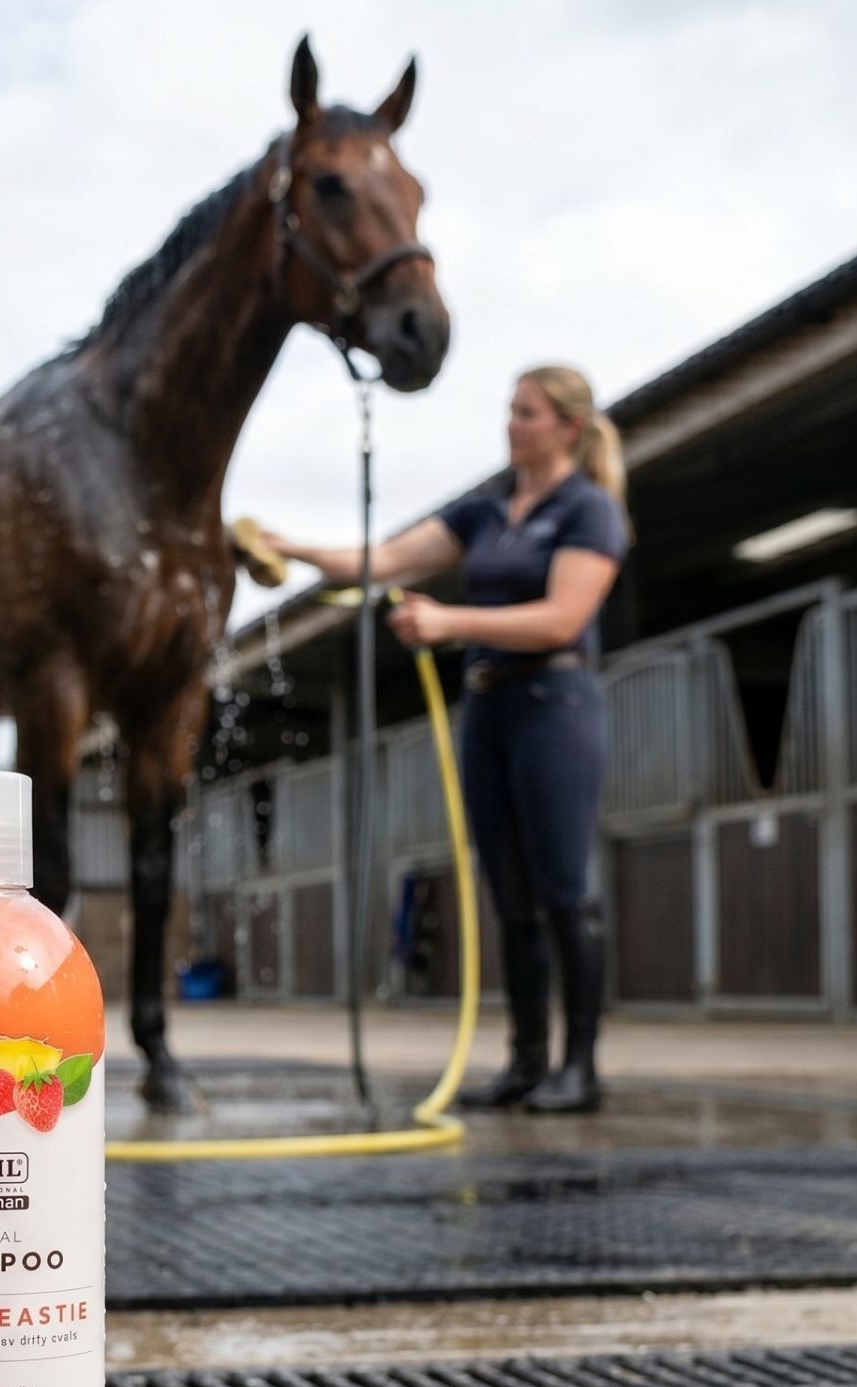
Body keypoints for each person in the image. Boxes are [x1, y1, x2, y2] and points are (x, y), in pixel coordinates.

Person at [255, 365, 630, 1113]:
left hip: (555, 701)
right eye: (510, 409)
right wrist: (288, 547)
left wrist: (450, 623)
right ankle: (526, 1062)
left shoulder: (590, 512)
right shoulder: (486, 516)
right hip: (488, 707)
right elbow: (379, 560)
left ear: (567, 427)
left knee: (563, 888)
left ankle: (580, 1067)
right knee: (510, 893)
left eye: (526, 412)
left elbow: (562, 618)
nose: (511, 423)